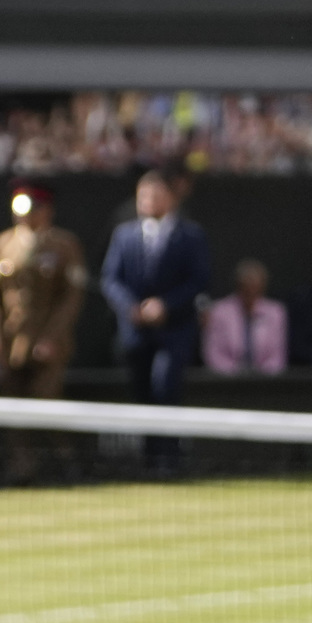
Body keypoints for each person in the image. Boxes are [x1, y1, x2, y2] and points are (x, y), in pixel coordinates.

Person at [99, 168, 209, 445]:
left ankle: (167, 459)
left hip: (174, 330)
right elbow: (111, 279)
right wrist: (131, 308)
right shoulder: (124, 235)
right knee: (140, 392)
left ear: (171, 199)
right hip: (135, 334)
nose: (148, 200)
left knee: (166, 387)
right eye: (143, 195)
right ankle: (148, 460)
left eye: (156, 195)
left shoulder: (191, 235)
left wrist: (165, 306)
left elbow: (198, 281)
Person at [0, 179, 83, 402]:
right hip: (11, 342)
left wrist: (51, 338)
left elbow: (70, 298)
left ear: (47, 209)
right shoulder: (4, 243)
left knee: (46, 409)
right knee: (11, 411)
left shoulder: (64, 245)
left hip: (47, 343)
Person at [203, 258, 286, 376]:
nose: (251, 293)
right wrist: (237, 374)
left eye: (256, 289)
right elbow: (213, 354)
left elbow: (277, 356)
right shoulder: (219, 311)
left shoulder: (275, 312)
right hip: (226, 382)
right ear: (238, 287)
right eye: (246, 289)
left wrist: (261, 376)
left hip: (266, 383)